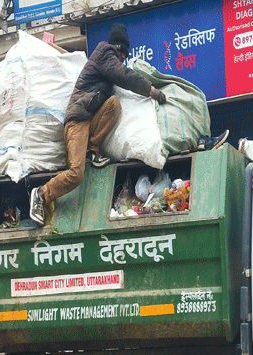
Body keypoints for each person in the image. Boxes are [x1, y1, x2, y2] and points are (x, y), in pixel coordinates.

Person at [29, 23, 167, 226]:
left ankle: (91, 151)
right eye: (124, 55)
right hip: (77, 120)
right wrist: (150, 90)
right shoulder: (105, 52)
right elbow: (124, 75)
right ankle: (41, 194)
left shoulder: (107, 58)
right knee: (76, 174)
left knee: (114, 104)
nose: (123, 60)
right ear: (119, 49)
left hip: (90, 119)